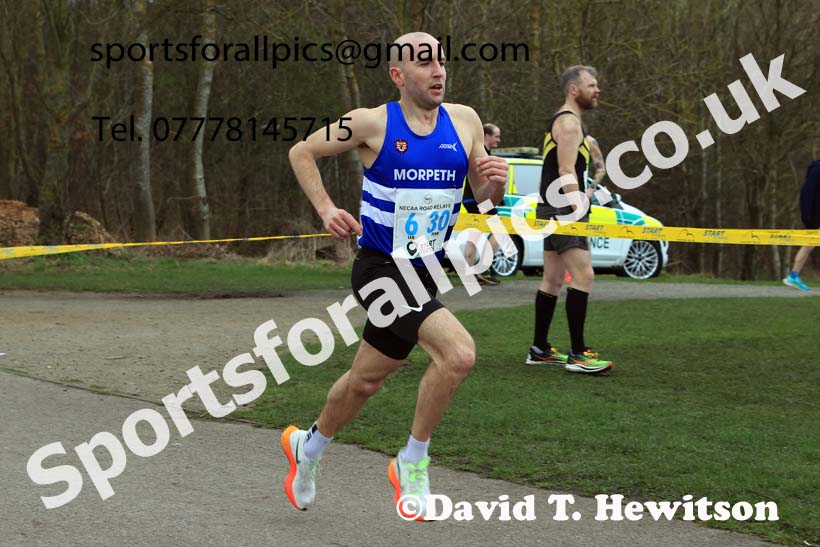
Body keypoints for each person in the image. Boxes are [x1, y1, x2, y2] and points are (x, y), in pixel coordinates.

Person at [283, 32, 508, 520]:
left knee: (364, 382)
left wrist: (497, 183)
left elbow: (481, 201)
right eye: (424, 63)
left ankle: (308, 446)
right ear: (398, 75)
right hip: (381, 271)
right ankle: (412, 460)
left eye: (442, 62)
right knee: (459, 354)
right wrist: (326, 209)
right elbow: (301, 152)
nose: (438, 71)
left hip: (426, 273)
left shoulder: (465, 121)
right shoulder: (370, 122)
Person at [525, 65, 613, 374]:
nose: (597, 89)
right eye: (592, 85)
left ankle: (540, 348)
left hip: (553, 206)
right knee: (584, 276)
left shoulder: (566, 123)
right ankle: (578, 353)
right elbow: (564, 170)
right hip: (564, 208)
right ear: (574, 90)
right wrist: (577, 206)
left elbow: (547, 174)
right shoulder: (569, 123)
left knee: (552, 279)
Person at [462, 123, 503, 285]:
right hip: (479, 200)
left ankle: (469, 271)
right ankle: (480, 269)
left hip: (471, 199)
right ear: (486, 136)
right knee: (500, 233)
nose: (499, 140)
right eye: (496, 136)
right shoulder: (482, 152)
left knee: (475, 233)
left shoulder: (480, 151)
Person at [783, 158, 820, 291]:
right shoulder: (817, 170)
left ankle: (793, 276)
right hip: (816, 215)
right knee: (808, 245)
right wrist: (807, 216)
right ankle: (793, 276)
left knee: (808, 246)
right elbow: (806, 193)